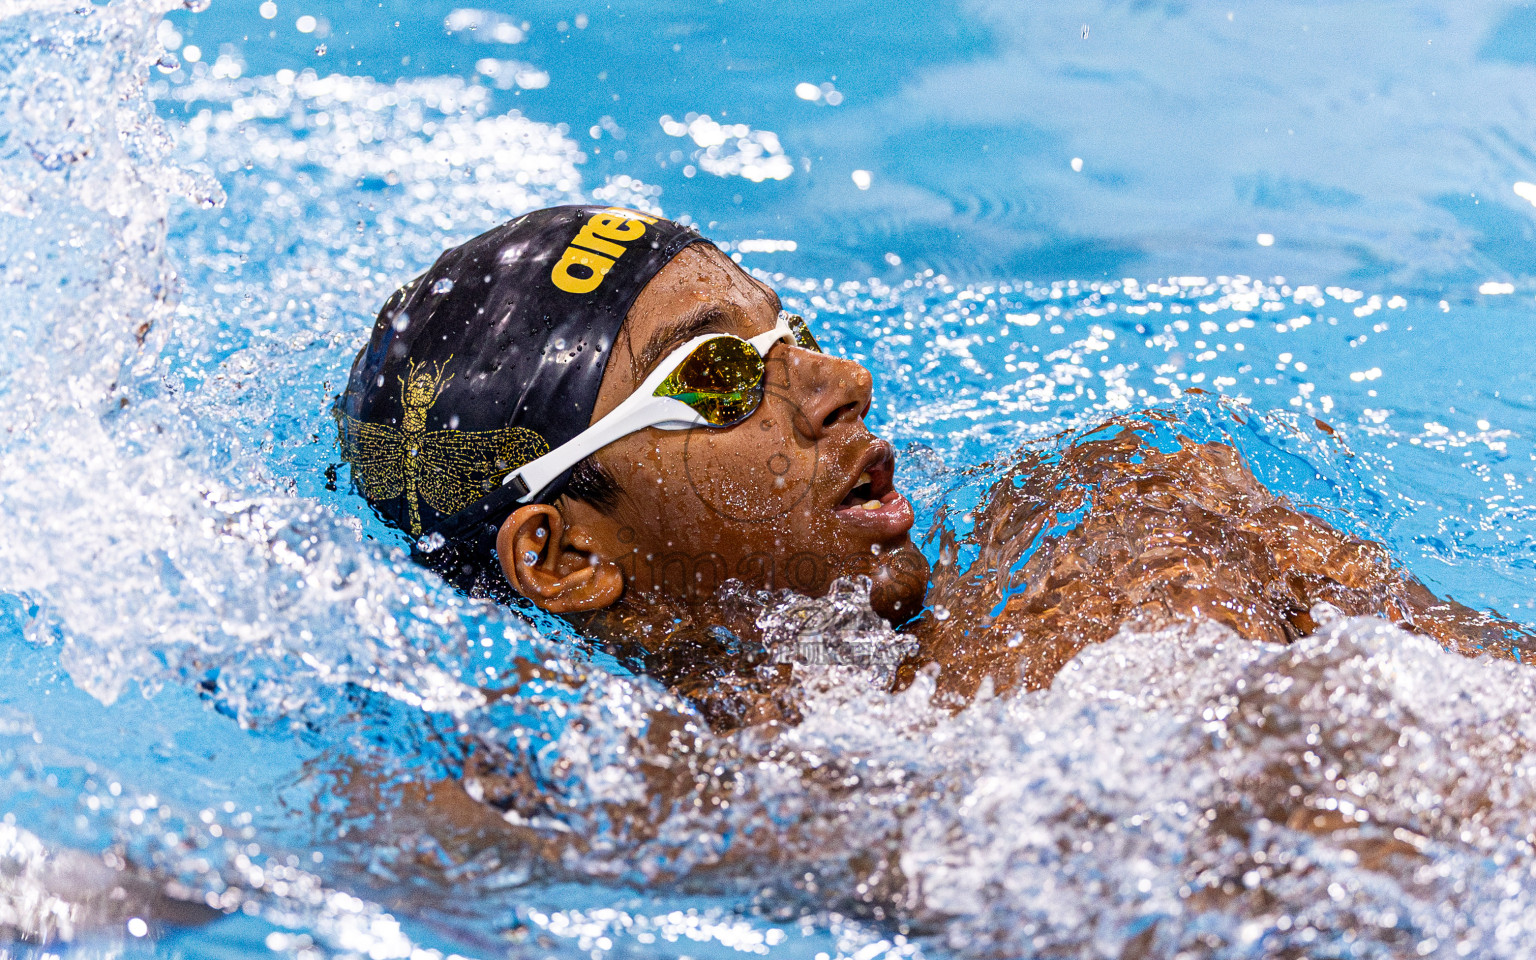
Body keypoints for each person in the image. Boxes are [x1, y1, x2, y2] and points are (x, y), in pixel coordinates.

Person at [337, 205, 1533, 731]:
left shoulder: (1130, 501)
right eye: (716, 375)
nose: (837, 380)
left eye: (790, 333)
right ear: (564, 556)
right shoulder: (718, 803)